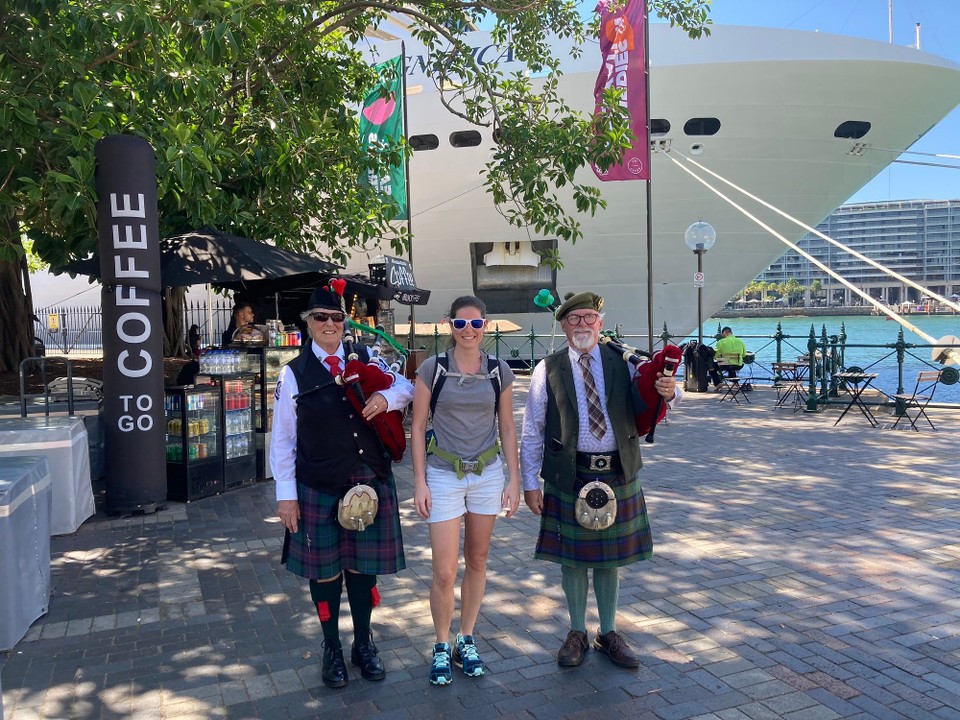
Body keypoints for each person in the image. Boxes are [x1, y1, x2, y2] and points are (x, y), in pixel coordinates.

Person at [520, 291, 680, 670]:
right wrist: (530, 483)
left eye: (589, 317)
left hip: (617, 469)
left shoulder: (624, 362)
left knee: (610, 561)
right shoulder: (549, 368)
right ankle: (577, 631)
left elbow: (661, 397)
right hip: (567, 474)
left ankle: (608, 633)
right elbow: (532, 429)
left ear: (600, 323)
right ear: (562, 325)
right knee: (572, 562)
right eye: (574, 319)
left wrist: (672, 393)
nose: (582, 325)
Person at [271, 286, 414, 689]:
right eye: (321, 318)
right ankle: (331, 645)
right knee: (326, 573)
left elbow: (406, 386)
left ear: (344, 323)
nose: (330, 324)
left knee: (362, 568)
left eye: (336, 318)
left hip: (369, 478)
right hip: (319, 483)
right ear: (309, 324)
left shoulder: (367, 357)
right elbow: (282, 439)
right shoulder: (293, 373)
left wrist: (386, 397)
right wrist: (286, 496)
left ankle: (363, 643)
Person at [410, 296, 521, 686]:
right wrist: (419, 481)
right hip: (443, 474)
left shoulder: (499, 371)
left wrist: (514, 479)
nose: (468, 331)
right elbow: (419, 425)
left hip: (487, 473)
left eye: (475, 325)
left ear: (485, 326)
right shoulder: (432, 369)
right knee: (443, 571)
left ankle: (466, 637)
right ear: (449, 326)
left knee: (477, 558)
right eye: (461, 324)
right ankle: (441, 643)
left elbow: (507, 426)